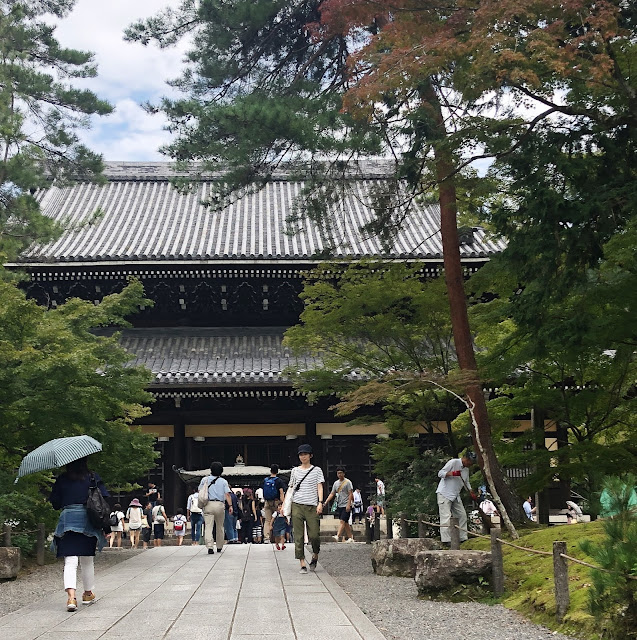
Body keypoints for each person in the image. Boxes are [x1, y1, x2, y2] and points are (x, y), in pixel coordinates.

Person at [49, 456, 109, 612]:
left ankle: (71, 597)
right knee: (87, 558)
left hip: (67, 520)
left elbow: (55, 503)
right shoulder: (92, 477)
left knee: (70, 560)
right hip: (87, 520)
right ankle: (88, 593)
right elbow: (104, 497)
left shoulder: (62, 479)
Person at [290, 444, 325, 574]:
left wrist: (320, 502)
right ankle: (302, 562)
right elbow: (291, 488)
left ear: (310, 455)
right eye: (301, 454)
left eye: (305, 454)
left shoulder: (317, 470)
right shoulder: (294, 471)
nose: (303, 456)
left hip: (312, 505)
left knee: (314, 535)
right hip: (297, 504)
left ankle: (315, 554)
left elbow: (320, 486)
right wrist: (285, 505)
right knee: (298, 535)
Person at [436, 451, 477, 545]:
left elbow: (466, 481)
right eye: (470, 462)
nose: (470, 464)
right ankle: (446, 540)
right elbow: (440, 473)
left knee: (462, 515)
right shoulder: (453, 462)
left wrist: (470, 491)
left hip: (455, 494)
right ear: (465, 458)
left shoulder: (466, 469)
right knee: (446, 516)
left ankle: (462, 537)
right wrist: (452, 473)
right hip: (445, 492)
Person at [198, 461, 233, 554]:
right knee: (220, 526)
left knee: (208, 526)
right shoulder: (223, 481)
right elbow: (227, 495)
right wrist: (230, 506)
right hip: (220, 505)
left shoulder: (204, 480)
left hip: (208, 504)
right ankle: (219, 546)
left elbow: (200, 491)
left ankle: (209, 546)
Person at [325, 467, 354, 543]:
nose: (339, 474)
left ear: (344, 473)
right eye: (338, 473)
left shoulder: (348, 482)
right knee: (345, 522)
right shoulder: (336, 483)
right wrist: (326, 502)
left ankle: (337, 536)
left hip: (346, 504)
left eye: (341, 473)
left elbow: (350, 493)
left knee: (342, 521)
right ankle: (350, 537)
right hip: (340, 504)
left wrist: (349, 504)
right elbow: (332, 493)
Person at [262, 464, 286, 542]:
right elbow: (281, 492)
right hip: (276, 502)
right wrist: (283, 503)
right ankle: (278, 538)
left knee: (267, 520)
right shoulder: (279, 481)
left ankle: (266, 538)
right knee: (277, 519)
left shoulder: (265, 480)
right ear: (277, 471)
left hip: (267, 502)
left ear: (270, 471)